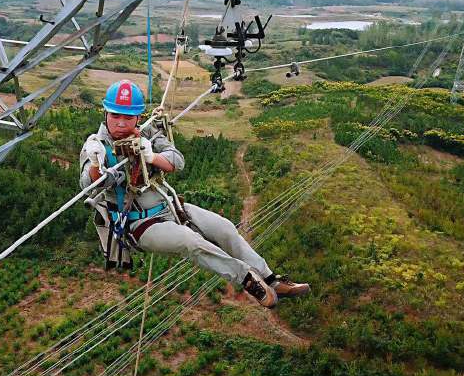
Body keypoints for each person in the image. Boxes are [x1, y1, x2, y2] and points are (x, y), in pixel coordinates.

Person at [79, 80, 309, 308]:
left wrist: (151, 156)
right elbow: (89, 184)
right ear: (106, 113)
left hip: (171, 208)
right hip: (138, 224)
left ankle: (271, 279)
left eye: (128, 117)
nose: (121, 123)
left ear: (138, 117)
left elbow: (177, 161)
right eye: (115, 116)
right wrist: (96, 164)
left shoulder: (147, 133)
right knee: (190, 242)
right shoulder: (96, 145)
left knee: (225, 228)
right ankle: (247, 279)